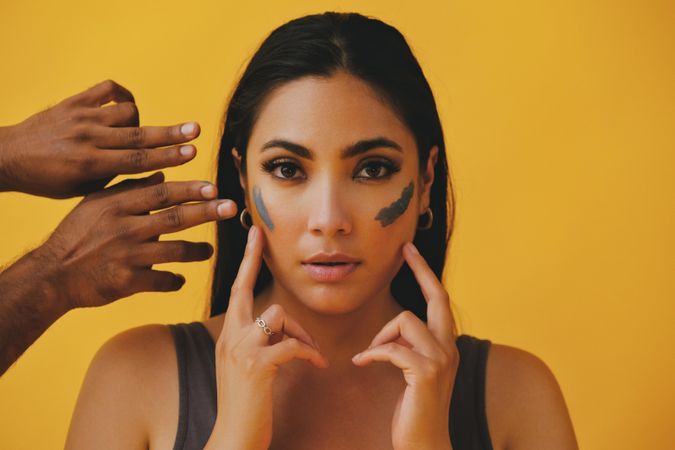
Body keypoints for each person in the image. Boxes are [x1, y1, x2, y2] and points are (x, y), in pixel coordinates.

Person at [64, 12, 579, 450]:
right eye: (288, 169)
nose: (329, 218)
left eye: (372, 168)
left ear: (425, 182)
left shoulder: (514, 394)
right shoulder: (134, 377)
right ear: (243, 182)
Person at [0, 80, 238, 375]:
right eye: (286, 169)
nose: (315, 220)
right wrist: (54, 273)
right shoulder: (137, 370)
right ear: (242, 174)